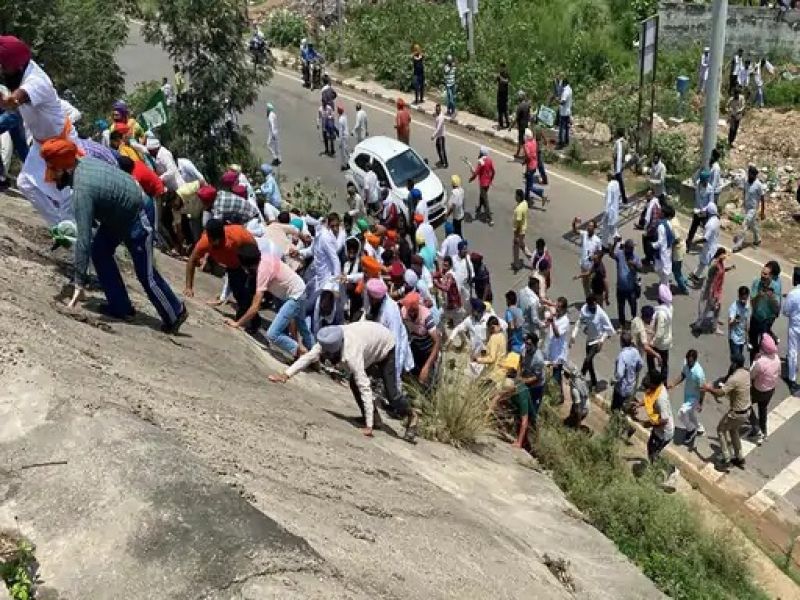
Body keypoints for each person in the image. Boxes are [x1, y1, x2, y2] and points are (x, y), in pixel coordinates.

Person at [41, 140, 187, 332]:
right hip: (117, 216)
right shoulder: (83, 163)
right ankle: (120, 306)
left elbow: (83, 239)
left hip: (138, 214)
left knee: (145, 273)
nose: (52, 176)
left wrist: (79, 282)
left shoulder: (82, 189)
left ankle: (175, 312)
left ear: (65, 168)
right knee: (100, 251)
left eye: (54, 170)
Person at [271, 323, 415, 441]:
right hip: (369, 342)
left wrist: (368, 427)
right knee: (354, 382)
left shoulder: (352, 354)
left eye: (330, 357)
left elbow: (365, 387)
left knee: (392, 395)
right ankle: (375, 419)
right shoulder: (328, 340)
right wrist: (285, 375)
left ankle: (412, 416)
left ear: (336, 350)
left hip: (385, 345)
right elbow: (308, 357)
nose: (328, 359)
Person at [0, 36, 78, 226]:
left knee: (66, 195)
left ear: (17, 67)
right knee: (26, 184)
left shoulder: (36, 81)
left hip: (61, 144)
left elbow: (10, 103)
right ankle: (61, 227)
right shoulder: (23, 70)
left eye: (4, 67)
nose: (2, 71)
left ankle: (74, 234)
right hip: (41, 143)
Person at [228, 244, 313, 359]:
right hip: (299, 288)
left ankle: (302, 352)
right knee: (302, 325)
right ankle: (314, 355)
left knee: (273, 334)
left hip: (295, 295)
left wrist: (237, 323)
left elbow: (255, 307)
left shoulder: (262, 271)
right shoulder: (264, 256)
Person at [702, 355, 751, 470]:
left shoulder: (733, 379)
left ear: (734, 364)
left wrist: (708, 389)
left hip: (736, 413)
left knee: (720, 430)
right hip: (747, 411)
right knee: (733, 430)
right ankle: (740, 458)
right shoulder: (746, 373)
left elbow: (720, 393)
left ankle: (726, 459)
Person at [363, 278, 414, 387]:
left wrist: (394, 375)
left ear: (375, 299)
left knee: (392, 389)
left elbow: (397, 344)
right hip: (380, 350)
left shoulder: (390, 311)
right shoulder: (375, 303)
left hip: (394, 355)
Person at [571, 294, 615, 392]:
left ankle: (579, 379)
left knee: (587, 360)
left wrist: (602, 340)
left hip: (597, 341)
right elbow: (579, 322)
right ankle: (594, 383)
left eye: (595, 305)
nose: (593, 308)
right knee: (589, 363)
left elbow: (610, 330)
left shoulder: (601, 314)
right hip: (589, 340)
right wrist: (573, 335)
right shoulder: (584, 310)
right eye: (591, 306)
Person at [400, 291, 441, 387]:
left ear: (416, 308)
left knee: (431, 380)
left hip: (429, 350)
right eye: (407, 310)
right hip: (417, 348)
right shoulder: (403, 312)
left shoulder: (426, 316)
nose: (409, 313)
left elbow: (437, 341)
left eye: (411, 310)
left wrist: (427, 366)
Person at [667, 349, 706, 448]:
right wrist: (673, 384)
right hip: (687, 395)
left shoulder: (699, 373)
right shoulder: (686, 365)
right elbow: (683, 375)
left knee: (681, 413)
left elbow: (703, 389)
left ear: (695, 360)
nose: (689, 362)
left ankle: (691, 429)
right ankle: (699, 428)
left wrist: (700, 403)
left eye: (691, 361)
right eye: (688, 360)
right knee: (690, 414)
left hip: (695, 398)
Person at [749, 334, 780, 445]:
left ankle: (756, 428)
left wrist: (755, 361)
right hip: (770, 390)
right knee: (763, 409)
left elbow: (751, 375)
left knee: (746, 405)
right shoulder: (776, 358)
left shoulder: (760, 362)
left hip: (758, 390)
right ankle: (764, 430)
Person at [750, 262, 781, 362]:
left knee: (764, 344)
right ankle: (753, 365)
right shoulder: (756, 282)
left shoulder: (775, 287)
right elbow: (752, 303)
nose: (762, 276)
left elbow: (777, 308)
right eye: (762, 273)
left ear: (771, 276)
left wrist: (771, 297)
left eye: (766, 274)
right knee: (753, 344)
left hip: (767, 319)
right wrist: (759, 295)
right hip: (756, 316)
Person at [641, 370, 674, 463]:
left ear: (654, 384)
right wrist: (639, 404)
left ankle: (670, 471)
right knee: (651, 448)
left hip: (664, 433)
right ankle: (655, 467)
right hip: (658, 429)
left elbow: (664, 420)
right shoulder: (658, 387)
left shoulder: (661, 399)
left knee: (653, 453)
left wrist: (649, 423)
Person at [733, 165, 765, 252]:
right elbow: (744, 191)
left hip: (753, 209)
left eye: (751, 174)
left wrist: (762, 212)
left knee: (745, 224)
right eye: (749, 174)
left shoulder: (758, 185)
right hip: (747, 207)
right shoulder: (747, 182)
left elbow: (762, 198)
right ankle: (757, 239)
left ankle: (738, 245)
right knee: (752, 225)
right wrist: (743, 202)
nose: (749, 176)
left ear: (754, 175)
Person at [611, 331, 643, 415]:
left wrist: (613, 380)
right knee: (625, 409)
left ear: (621, 342)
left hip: (621, 388)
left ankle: (615, 424)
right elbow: (640, 364)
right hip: (631, 386)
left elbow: (620, 374)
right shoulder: (635, 351)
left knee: (615, 409)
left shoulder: (622, 356)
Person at [612, 239, 641, 327]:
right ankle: (622, 323)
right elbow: (611, 254)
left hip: (631, 288)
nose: (632, 250)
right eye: (630, 248)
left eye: (632, 248)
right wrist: (614, 243)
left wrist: (634, 265)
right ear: (625, 248)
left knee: (633, 305)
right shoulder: (620, 254)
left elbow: (641, 269)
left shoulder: (636, 257)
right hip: (620, 287)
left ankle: (634, 320)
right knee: (621, 306)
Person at [572, 217, 602, 300]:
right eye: (588, 226)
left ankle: (595, 300)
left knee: (591, 285)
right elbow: (575, 231)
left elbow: (600, 252)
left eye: (591, 226)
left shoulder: (597, 240)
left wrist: (596, 256)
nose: (589, 227)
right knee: (585, 285)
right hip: (583, 264)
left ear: (594, 228)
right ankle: (588, 299)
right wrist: (574, 223)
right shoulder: (584, 234)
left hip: (591, 267)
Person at [690, 202, 720, 283]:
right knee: (703, 262)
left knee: (704, 262)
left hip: (709, 247)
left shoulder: (711, 224)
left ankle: (697, 277)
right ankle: (695, 274)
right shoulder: (716, 219)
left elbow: (705, 238)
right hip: (712, 245)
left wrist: (695, 242)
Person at [470, 316, 507, 382]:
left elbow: (492, 359)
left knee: (476, 383)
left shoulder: (494, 338)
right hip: (502, 371)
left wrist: (478, 360)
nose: (491, 331)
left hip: (493, 374)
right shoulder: (502, 336)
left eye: (491, 328)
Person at [546, 297, 571, 394]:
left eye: (559, 307)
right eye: (557, 306)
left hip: (559, 354)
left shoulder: (565, 321)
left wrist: (552, 322)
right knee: (555, 377)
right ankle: (559, 396)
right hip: (552, 350)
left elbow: (557, 334)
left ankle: (557, 396)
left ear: (564, 309)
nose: (557, 309)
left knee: (555, 377)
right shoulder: (556, 317)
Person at [783, 267, 800, 395]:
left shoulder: (793, 294)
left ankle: (792, 380)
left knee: (793, 352)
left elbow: (786, 312)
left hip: (795, 326)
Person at [686, 169, 713, 250]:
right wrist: (700, 168)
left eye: (705, 180)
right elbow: (693, 178)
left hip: (704, 212)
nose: (703, 182)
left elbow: (710, 203)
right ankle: (688, 242)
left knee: (706, 228)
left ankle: (708, 244)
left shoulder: (710, 189)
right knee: (693, 227)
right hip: (697, 210)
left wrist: (705, 211)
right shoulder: (698, 184)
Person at [651, 284, 673, 380]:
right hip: (667, 341)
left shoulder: (660, 313)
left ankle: (653, 380)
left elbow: (659, 333)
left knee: (650, 359)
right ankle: (664, 382)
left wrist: (652, 343)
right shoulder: (669, 308)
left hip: (660, 343)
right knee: (665, 363)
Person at [469, 147, 496, 226]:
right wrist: (491, 179)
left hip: (482, 183)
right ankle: (479, 208)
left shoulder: (481, 162)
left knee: (485, 201)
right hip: (488, 183)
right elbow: (493, 171)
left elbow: (476, 173)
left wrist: (471, 179)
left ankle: (490, 219)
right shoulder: (490, 160)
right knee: (482, 196)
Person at [728, 286, 751, 366]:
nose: (743, 301)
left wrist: (747, 340)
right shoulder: (734, 307)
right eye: (742, 298)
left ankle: (735, 375)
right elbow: (730, 323)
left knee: (739, 360)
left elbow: (746, 322)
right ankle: (731, 376)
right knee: (736, 361)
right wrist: (735, 320)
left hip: (742, 338)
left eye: (745, 298)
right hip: (734, 339)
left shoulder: (747, 305)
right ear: (739, 296)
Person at [522, 129, 546, 206]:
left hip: (530, 166)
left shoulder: (526, 145)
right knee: (529, 184)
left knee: (529, 186)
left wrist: (525, 161)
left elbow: (528, 156)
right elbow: (533, 153)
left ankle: (539, 195)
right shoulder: (534, 142)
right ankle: (527, 199)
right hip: (534, 165)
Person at [669, 210, 689, 294]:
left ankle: (683, 288)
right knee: (678, 270)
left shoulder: (672, 224)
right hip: (680, 248)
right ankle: (684, 281)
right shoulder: (674, 219)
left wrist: (669, 244)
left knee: (676, 271)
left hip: (677, 250)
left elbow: (676, 239)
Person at [512, 188, 530, 271]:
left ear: (519, 197)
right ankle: (533, 259)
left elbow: (518, 223)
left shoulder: (519, 209)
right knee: (522, 246)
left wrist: (516, 236)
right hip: (524, 229)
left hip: (519, 231)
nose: (515, 197)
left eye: (516, 195)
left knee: (516, 247)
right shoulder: (525, 203)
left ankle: (516, 264)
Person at [602, 171, 621, 247]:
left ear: (610, 176)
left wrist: (606, 213)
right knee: (614, 229)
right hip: (615, 211)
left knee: (605, 229)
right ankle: (620, 242)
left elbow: (608, 201)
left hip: (609, 211)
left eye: (607, 176)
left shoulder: (610, 186)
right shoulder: (617, 184)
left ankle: (604, 245)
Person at [512, 91, 531, 159]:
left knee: (521, 140)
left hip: (521, 126)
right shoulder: (527, 105)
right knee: (523, 140)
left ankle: (522, 154)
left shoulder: (519, 106)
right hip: (526, 125)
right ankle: (521, 153)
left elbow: (516, 118)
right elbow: (529, 116)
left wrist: (511, 126)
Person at [612, 128, 628, 204]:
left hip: (617, 165)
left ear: (618, 134)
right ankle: (620, 197)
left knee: (618, 182)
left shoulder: (616, 142)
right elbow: (627, 152)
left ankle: (623, 199)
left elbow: (614, 155)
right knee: (618, 181)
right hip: (622, 164)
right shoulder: (625, 142)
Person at [432, 103, 448, 168]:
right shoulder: (438, 114)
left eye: (437, 110)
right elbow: (435, 115)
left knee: (442, 149)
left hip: (441, 136)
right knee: (438, 148)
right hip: (438, 136)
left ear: (440, 110)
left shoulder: (441, 117)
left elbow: (438, 128)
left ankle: (445, 163)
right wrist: (435, 115)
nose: (436, 111)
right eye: (436, 109)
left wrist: (433, 135)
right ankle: (441, 160)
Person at [558, 78, 573, 148]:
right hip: (568, 111)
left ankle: (561, 143)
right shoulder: (570, 89)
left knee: (561, 129)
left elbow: (563, 102)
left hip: (563, 113)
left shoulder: (565, 91)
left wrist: (557, 101)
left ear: (564, 83)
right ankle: (566, 141)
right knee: (567, 128)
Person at [265, 102, 282, 166]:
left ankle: (275, 158)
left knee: (268, 145)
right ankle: (279, 159)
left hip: (272, 132)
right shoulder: (274, 114)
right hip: (275, 131)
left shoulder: (270, 116)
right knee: (276, 146)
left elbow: (272, 125)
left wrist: (273, 134)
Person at [496, 63, 510, 129]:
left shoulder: (506, 74)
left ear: (504, 68)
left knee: (505, 110)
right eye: (500, 67)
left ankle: (507, 123)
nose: (501, 69)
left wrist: (500, 77)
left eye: (502, 67)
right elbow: (497, 82)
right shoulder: (499, 74)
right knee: (499, 110)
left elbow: (506, 81)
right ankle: (500, 124)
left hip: (504, 95)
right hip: (499, 94)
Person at [337, 104, 350, 171]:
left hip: (343, 137)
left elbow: (340, 132)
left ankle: (345, 165)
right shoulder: (345, 116)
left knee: (343, 152)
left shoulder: (340, 120)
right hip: (347, 134)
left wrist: (340, 142)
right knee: (346, 149)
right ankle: (350, 159)